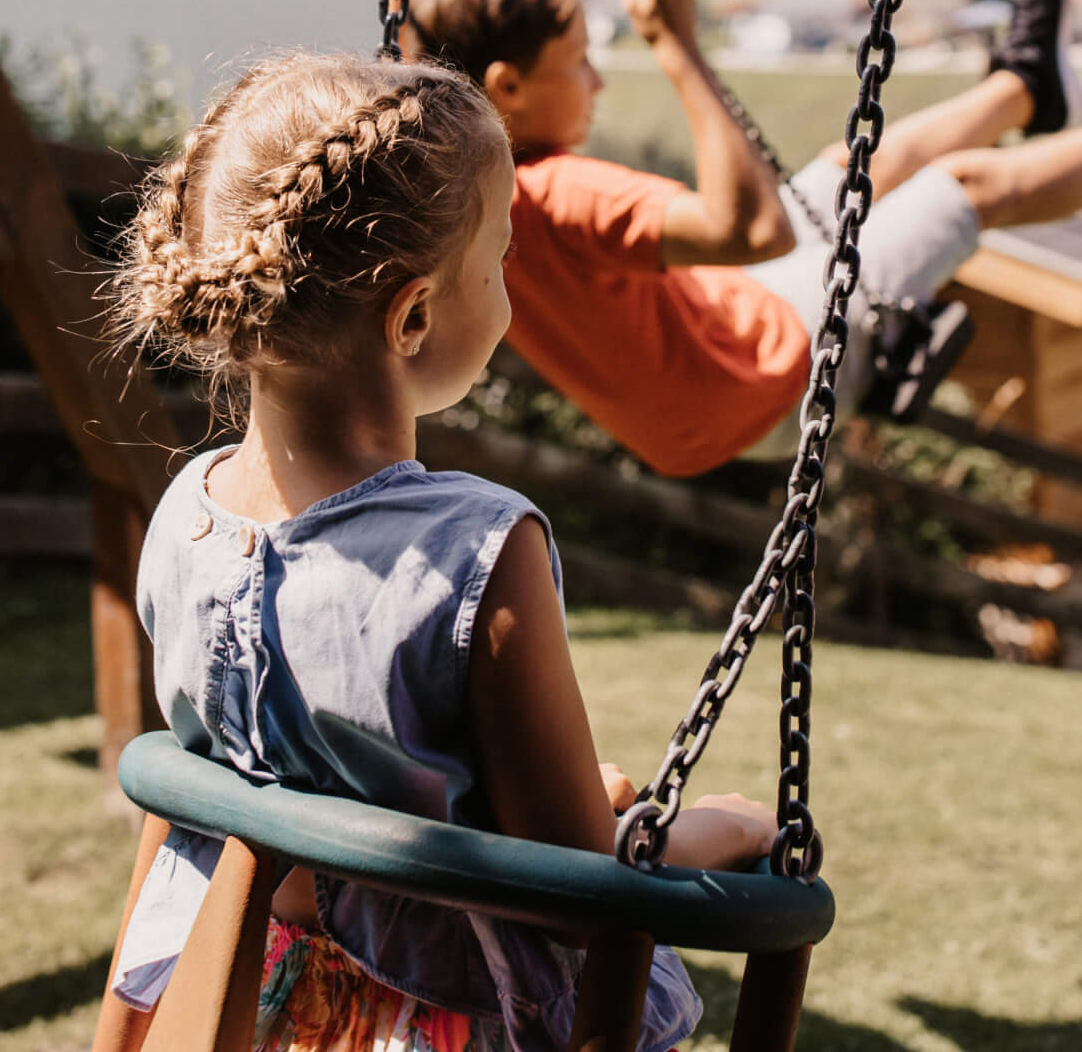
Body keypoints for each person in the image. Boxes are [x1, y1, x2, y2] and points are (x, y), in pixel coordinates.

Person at [100, 51, 775, 1052]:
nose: (509, 283)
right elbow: (572, 887)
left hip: (247, 1011)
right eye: (500, 257)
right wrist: (725, 828)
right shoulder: (477, 548)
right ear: (413, 313)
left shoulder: (184, 520)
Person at [399, 0, 1082, 478]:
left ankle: (1026, 84)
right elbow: (750, 227)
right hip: (766, 381)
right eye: (579, 61)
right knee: (967, 190)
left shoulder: (450, 185)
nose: (598, 81)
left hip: (722, 355)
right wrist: (679, 47)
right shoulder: (552, 189)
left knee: (861, 165)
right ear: (506, 88)